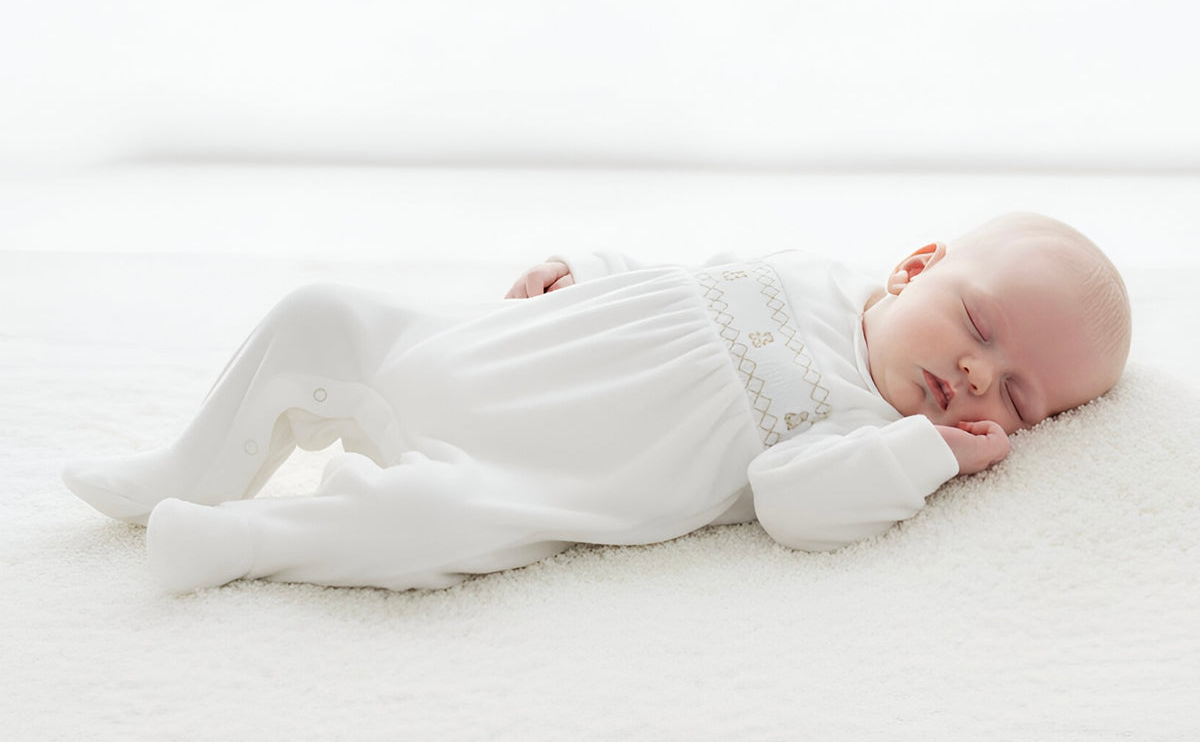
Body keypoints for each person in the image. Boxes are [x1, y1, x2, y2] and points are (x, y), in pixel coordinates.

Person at [62, 212, 1131, 593]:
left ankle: (238, 540)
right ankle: (184, 469)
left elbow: (795, 509)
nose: (982, 377)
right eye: (981, 330)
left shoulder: (869, 431)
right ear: (916, 265)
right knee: (322, 313)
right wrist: (587, 264)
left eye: (1019, 397)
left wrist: (934, 457)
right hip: (473, 362)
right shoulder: (805, 273)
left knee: (425, 532)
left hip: (524, 477)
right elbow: (681, 282)